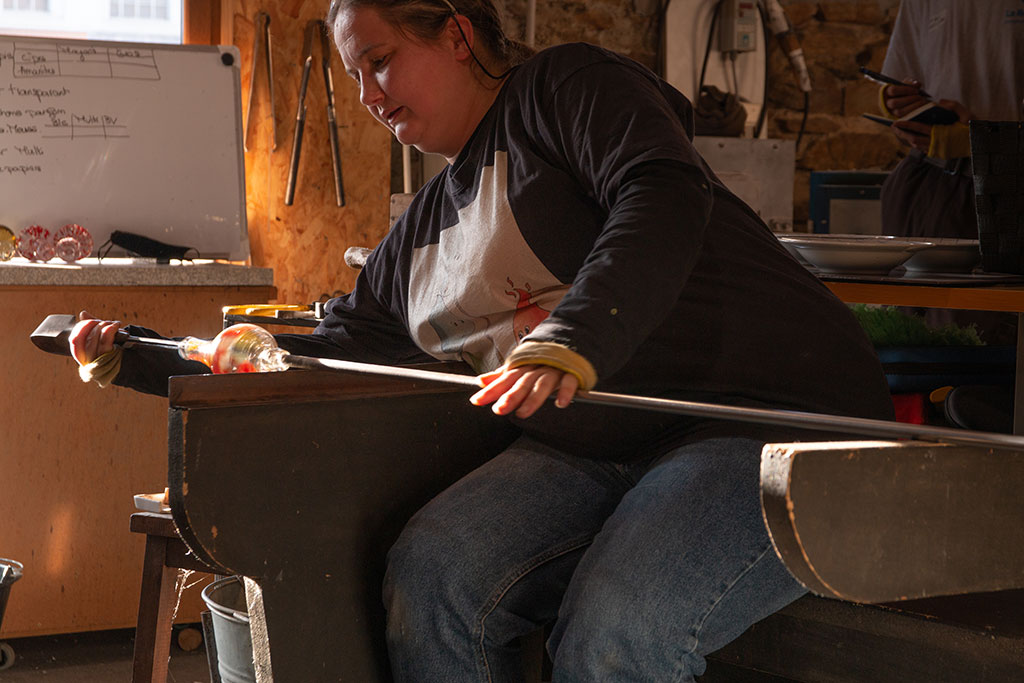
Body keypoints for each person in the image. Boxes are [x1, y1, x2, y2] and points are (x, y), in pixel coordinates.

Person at [71, 0, 894, 679]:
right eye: (355, 74)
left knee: (618, 625)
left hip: (761, 422)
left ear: (458, 34)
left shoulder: (565, 88)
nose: (367, 92)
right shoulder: (423, 229)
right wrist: (141, 357)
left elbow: (661, 189)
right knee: (431, 577)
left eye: (382, 60)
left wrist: (577, 333)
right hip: (598, 444)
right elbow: (325, 354)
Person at [878, 0, 1024, 241]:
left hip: (1007, 188)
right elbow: (903, 75)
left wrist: (983, 143)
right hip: (926, 180)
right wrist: (896, 102)